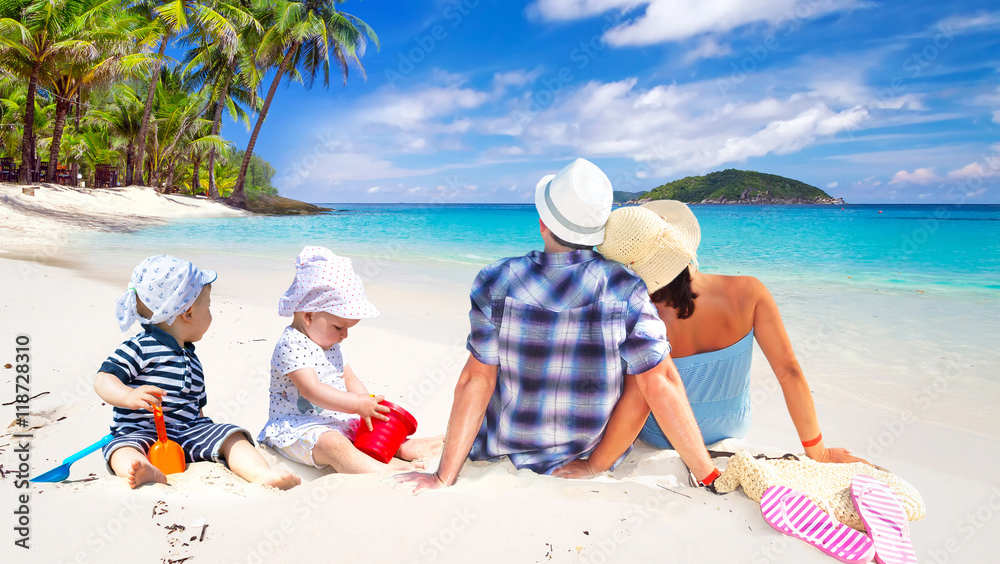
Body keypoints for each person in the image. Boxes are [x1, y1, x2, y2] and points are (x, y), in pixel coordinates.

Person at [397, 159, 719, 493]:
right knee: (641, 372)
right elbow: (660, 382)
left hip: (504, 445)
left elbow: (475, 380)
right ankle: (438, 442)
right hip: (584, 452)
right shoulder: (626, 287)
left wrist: (443, 477)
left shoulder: (496, 279)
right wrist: (706, 472)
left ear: (542, 224)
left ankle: (442, 444)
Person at [556, 200, 865, 478]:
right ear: (678, 239)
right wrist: (818, 453)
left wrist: (593, 465)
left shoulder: (637, 313)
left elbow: (639, 400)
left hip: (661, 434)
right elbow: (789, 372)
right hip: (732, 426)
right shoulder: (750, 291)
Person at [95, 255, 300, 490]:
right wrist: (127, 396)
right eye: (208, 305)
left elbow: (196, 405)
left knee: (232, 435)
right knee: (121, 450)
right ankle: (143, 469)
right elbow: (104, 379)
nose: (211, 311)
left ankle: (261, 473)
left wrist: (205, 428)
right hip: (140, 431)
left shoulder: (190, 357)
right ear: (189, 313)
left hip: (188, 431)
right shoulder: (140, 347)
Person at [258, 247, 442, 473]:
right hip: (298, 429)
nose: (344, 335)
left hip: (336, 420)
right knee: (334, 444)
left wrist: (366, 401)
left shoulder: (331, 344)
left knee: (376, 432)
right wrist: (356, 405)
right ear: (308, 316)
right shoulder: (291, 344)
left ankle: (406, 448)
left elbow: (349, 378)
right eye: (339, 327)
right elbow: (311, 390)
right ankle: (383, 469)